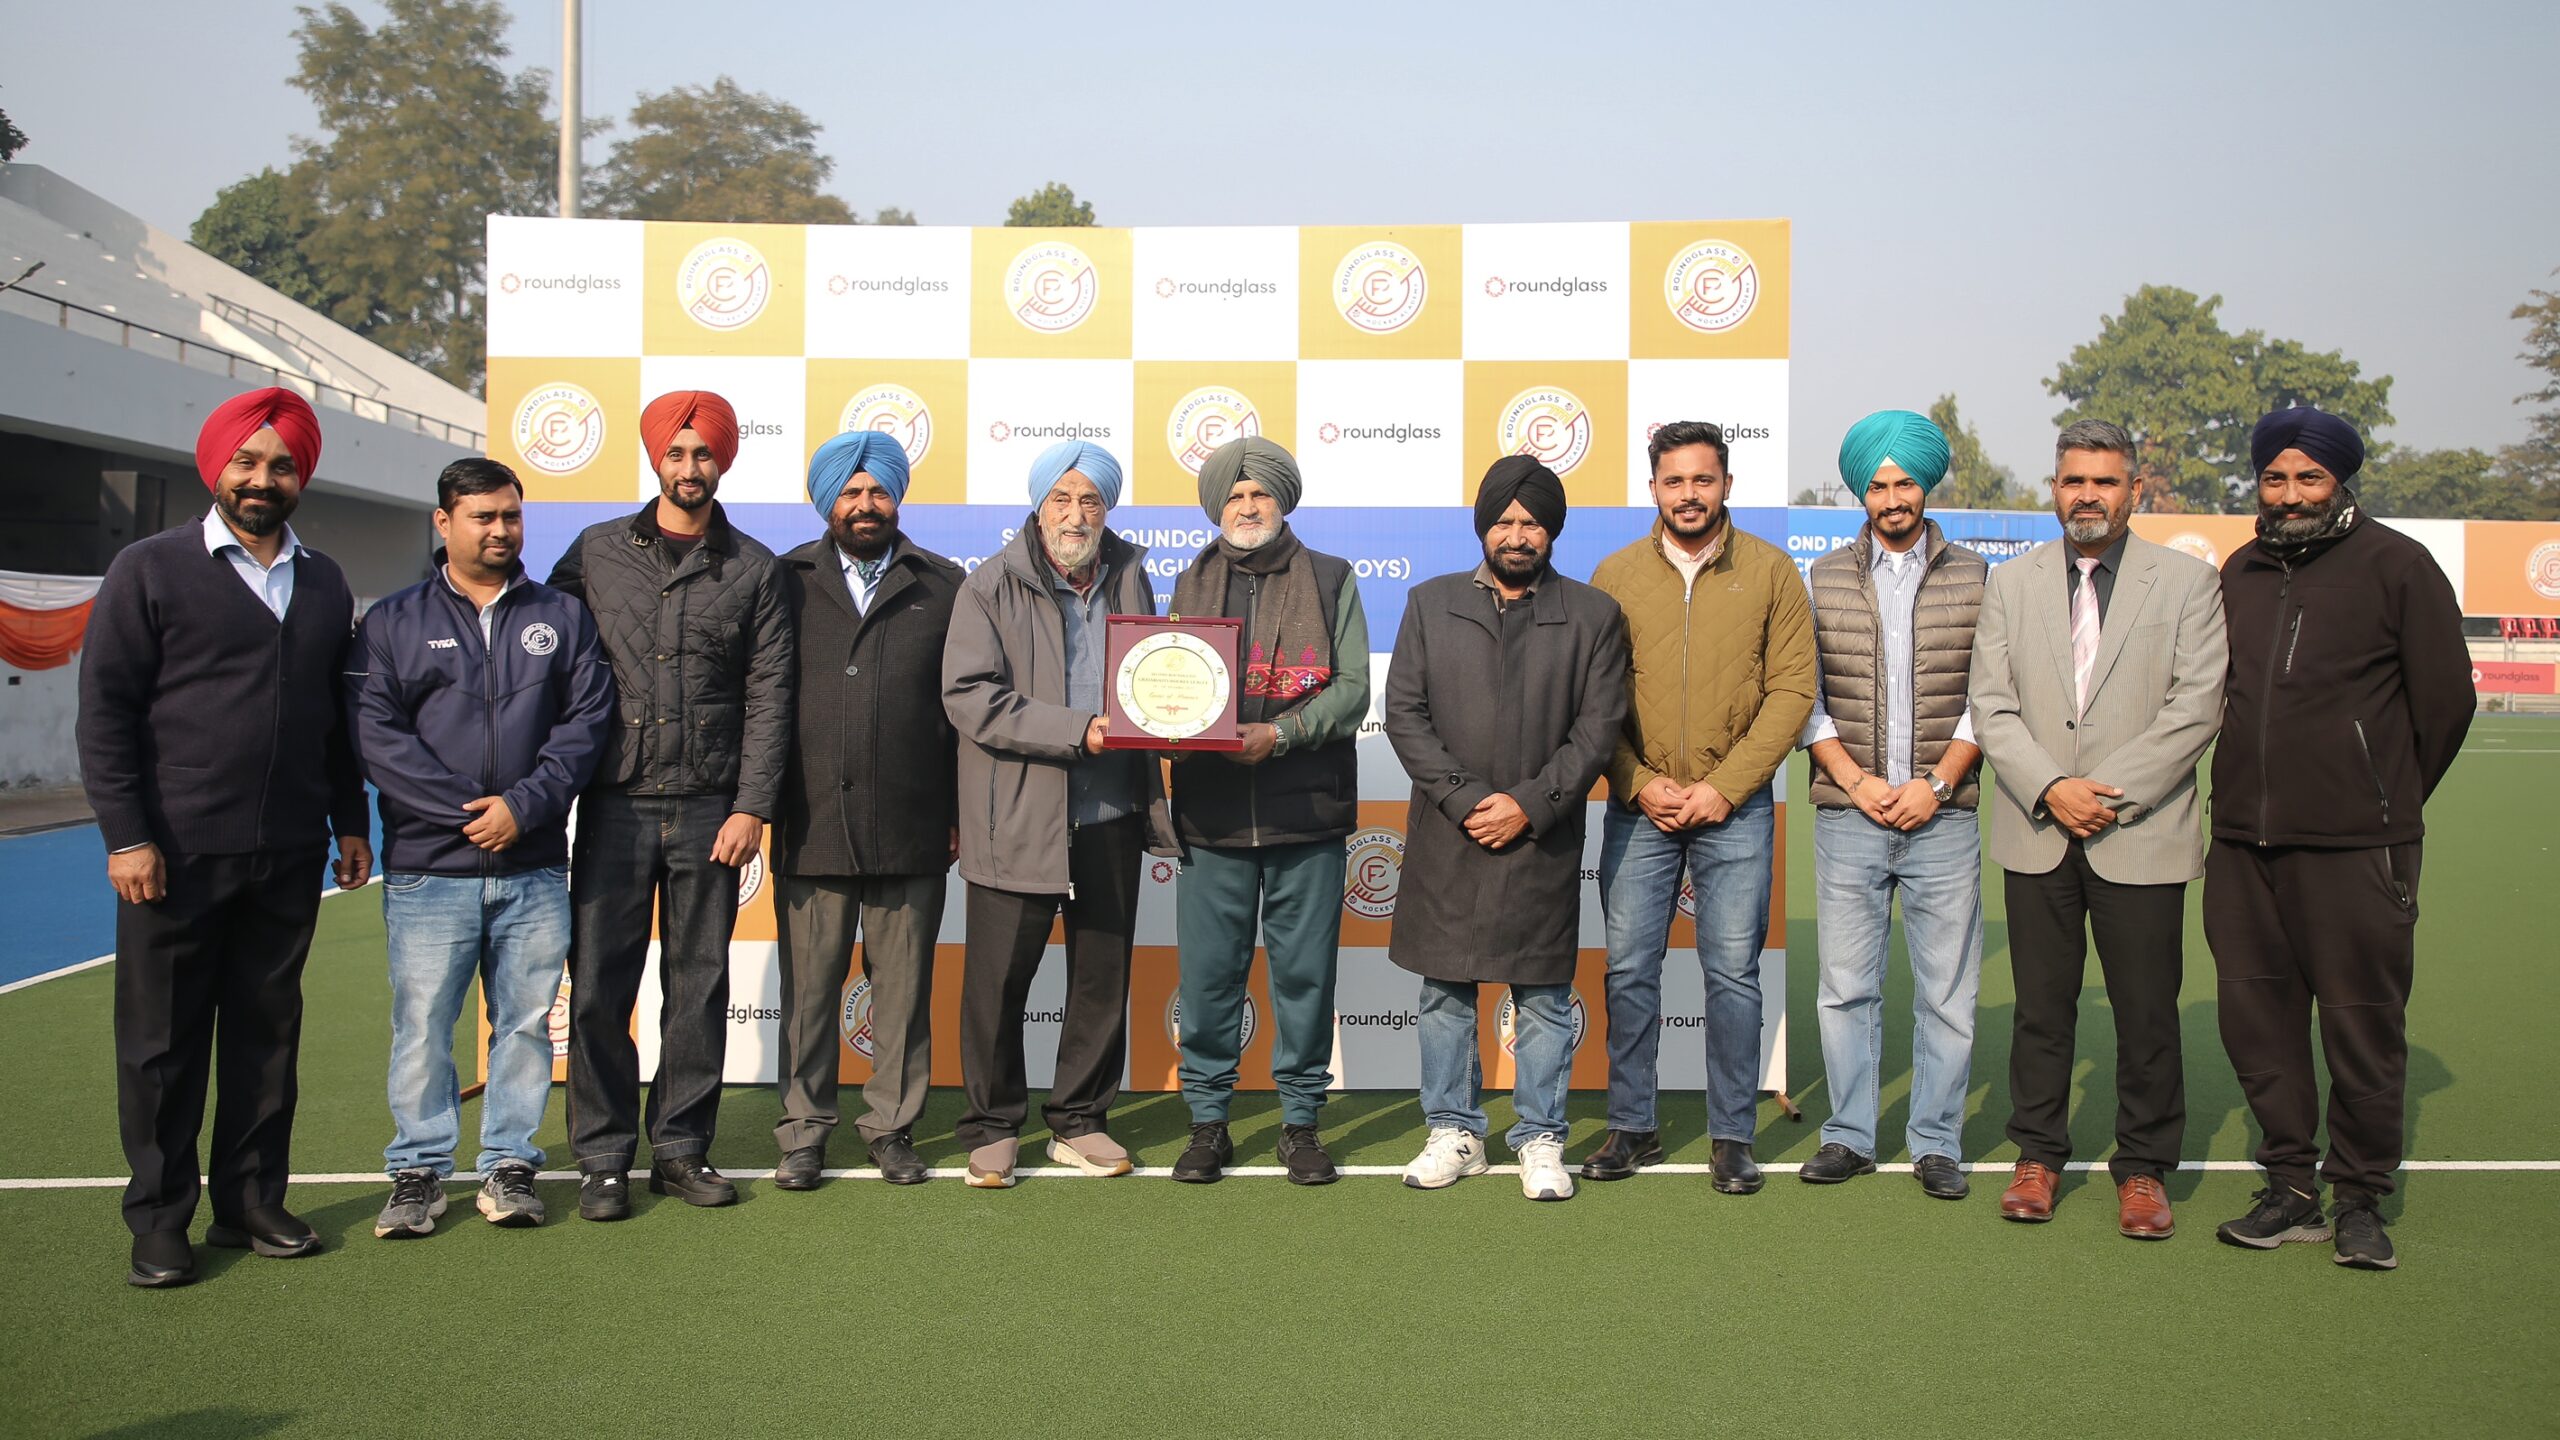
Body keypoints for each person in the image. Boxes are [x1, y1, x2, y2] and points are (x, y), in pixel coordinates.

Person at [77, 387, 373, 1287]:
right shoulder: (150, 567)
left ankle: (249, 1201)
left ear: (300, 477)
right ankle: (160, 1219)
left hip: (285, 855)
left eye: (281, 465)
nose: (263, 478)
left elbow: (333, 722)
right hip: (172, 853)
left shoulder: (322, 581)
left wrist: (349, 822)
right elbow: (106, 714)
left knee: (265, 1034)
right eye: (247, 461)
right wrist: (128, 835)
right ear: (217, 467)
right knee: (162, 1045)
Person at [2205, 408, 2472, 1271]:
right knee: (2259, 1024)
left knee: (2362, 1026)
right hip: (2245, 845)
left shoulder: (2399, 566)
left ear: (2341, 481)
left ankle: (2359, 1196)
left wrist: (2381, 796)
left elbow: (2445, 706)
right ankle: (2290, 1187)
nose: (2290, 496)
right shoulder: (2241, 571)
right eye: (2275, 479)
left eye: (2308, 479)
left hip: (2360, 847)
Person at [1970, 419, 2226, 1239]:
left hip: (2137, 830)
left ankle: (2144, 1168)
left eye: (2105, 482)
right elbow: (1994, 705)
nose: (2088, 496)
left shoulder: (2187, 583)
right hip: (2037, 827)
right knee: (2041, 1008)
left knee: (2146, 1010)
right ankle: (2038, 1155)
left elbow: (2197, 706)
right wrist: (2052, 786)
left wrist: (2105, 795)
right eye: (2074, 481)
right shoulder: (2010, 585)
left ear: (2134, 490)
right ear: (2054, 488)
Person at [547, 389, 795, 1220]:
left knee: (699, 988)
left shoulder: (753, 567)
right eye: (677, 454)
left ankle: (682, 1150)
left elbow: (771, 695)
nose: (691, 468)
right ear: (656, 457)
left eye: (705, 455)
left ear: (724, 460)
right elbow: (543, 658)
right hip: (613, 803)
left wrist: (750, 805)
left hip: (708, 812)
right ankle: (604, 1156)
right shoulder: (594, 552)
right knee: (599, 988)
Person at [350, 457, 613, 1236]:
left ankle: (509, 1165)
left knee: (527, 1022)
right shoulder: (393, 621)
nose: (501, 530)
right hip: (430, 869)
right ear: (444, 523)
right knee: (424, 1023)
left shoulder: (561, 616)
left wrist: (524, 808)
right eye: (482, 517)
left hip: (532, 866)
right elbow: (378, 739)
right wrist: (474, 815)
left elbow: (586, 725)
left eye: (511, 516)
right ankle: (419, 1173)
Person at [1385, 457, 1626, 1202]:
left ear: (1551, 530)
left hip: (1540, 837)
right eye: (1505, 521)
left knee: (1547, 996)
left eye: (1531, 522)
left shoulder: (1594, 615)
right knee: (1445, 992)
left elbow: (1598, 728)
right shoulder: (1429, 604)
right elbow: (1406, 716)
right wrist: (1464, 800)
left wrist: (1529, 803)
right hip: (1447, 837)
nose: (1517, 535)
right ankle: (1454, 1130)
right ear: (1484, 526)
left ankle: (1540, 1138)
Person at [1583, 420, 1815, 1194]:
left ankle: (1732, 1137)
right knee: (1628, 975)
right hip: (1638, 806)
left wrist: (1725, 788)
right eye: (1674, 481)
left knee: (1733, 977)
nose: (1689, 494)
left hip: (1736, 809)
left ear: (1726, 485)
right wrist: (1639, 779)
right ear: (1654, 487)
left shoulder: (1775, 573)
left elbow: (1791, 692)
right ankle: (1633, 1127)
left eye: (1703, 480)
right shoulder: (1615, 575)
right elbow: (1594, 702)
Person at [942, 440, 1178, 1189]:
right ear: (1038, 506)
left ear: (1108, 510)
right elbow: (970, 697)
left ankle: (1080, 1120)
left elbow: (1160, 671)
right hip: (1014, 818)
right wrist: (1076, 730)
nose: (1076, 515)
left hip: (1110, 811)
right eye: (1062, 499)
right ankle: (992, 1124)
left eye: (1092, 501)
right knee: (996, 985)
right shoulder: (988, 586)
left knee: (1101, 978)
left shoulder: (1133, 575)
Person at [1165, 437, 1371, 1186]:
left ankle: (1301, 1123)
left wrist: (1281, 733)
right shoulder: (1188, 584)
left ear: (1283, 501)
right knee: (1210, 978)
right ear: (1217, 507)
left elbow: (1353, 690)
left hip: (1306, 813)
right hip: (1212, 817)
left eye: (1260, 495)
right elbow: (1168, 685)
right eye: (1234, 496)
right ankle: (1209, 1122)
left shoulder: (1332, 577)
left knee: (1305, 978)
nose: (1248, 507)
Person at [1798, 411, 1987, 1199]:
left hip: (1945, 815)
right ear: (1861, 494)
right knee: (1846, 987)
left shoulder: (1979, 576)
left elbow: (1992, 698)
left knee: (1947, 990)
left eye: (1904, 481)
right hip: (1850, 813)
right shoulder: (1823, 577)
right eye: (1877, 485)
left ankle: (1935, 1141)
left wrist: (1937, 784)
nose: (1892, 497)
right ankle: (1848, 1135)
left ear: (1927, 484)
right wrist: (1856, 781)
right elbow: (1802, 699)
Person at [769, 431, 962, 1190]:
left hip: (913, 825)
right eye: (850, 492)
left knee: (905, 997)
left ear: (897, 498)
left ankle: (891, 1128)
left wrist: (952, 812)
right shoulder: (781, 582)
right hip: (809, 824)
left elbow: (960, 715)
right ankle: (804, 1132)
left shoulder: (941, 584)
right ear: (827, 501)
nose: (865, 505)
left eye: (878, 491)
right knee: (809, 998)